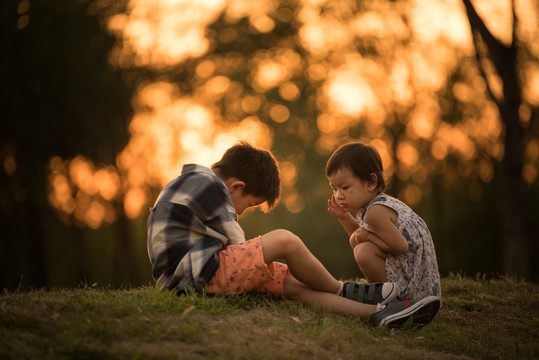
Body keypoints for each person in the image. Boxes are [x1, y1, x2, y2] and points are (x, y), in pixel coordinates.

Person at [147, 141, 440, 327]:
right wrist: (259, 253)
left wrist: (260, 263)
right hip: (195, 276)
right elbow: (236, 242)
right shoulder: (207, 185)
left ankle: (378, 313)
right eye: (249, 204)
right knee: (284, 239)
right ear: (236, 186)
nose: (242, 212)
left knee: (293, 283)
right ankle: (341, 289)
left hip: (194, 277)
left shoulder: (194, 183)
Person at [326, 141, 442, 301]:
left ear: (371, 183)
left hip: (414, 286)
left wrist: (367, 237)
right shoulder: (371, 205)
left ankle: (390, 301)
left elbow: (400, 246)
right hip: (412, 276)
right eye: (335, 189)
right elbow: (358, 235)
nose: (339, 195)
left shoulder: (376, 212)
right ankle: (385, 295)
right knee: (360, 245)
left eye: (345, 187)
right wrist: (344, 217)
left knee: (363, 251)